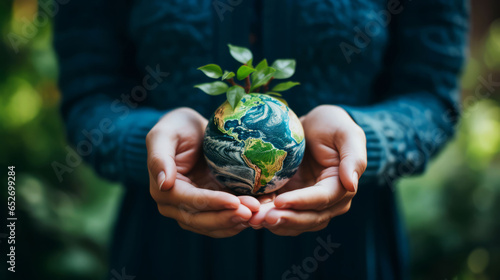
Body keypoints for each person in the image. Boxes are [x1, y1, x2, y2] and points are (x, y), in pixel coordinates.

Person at [54, 0, 468, 279]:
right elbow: (90, 97)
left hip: (347, 252)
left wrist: (361, 139)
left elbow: (432, 98)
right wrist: (149, 143)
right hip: (164, 253)